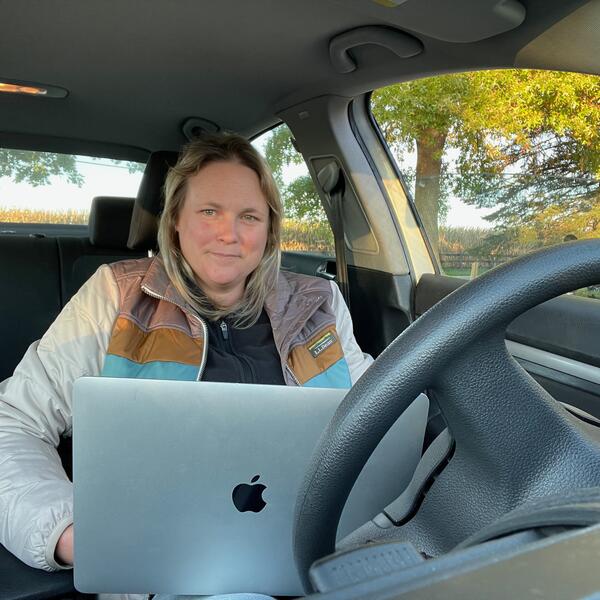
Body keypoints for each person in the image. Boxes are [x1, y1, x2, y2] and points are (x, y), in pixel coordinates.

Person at [0, 133, 373, 577]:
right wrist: (66, 531)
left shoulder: (319, 304)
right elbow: (14, 421)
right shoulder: (115, 296)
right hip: (165, 565)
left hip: (323, 551)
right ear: (175, 219)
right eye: (209, 211)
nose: (228, 233)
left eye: (249, 216)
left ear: (270, 228)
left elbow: (375, 418)